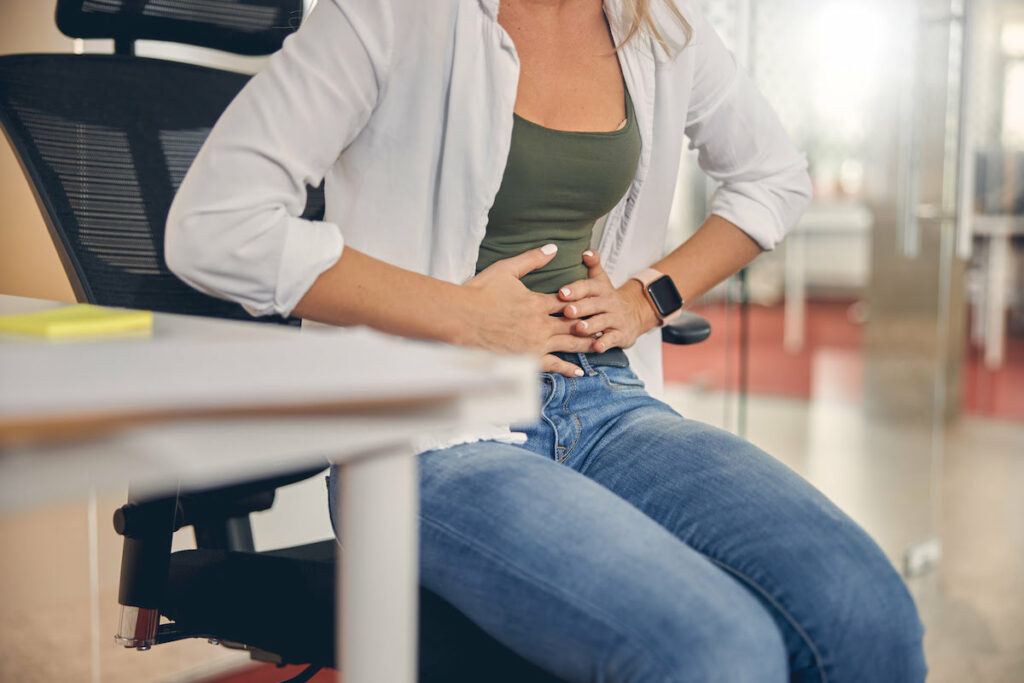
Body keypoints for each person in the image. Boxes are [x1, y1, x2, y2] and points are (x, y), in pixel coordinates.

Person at [165, 0, 927, 680]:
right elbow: (215, 226)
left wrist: (646, 296)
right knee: (716, 651)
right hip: (425, 433)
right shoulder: (387, 15)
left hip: (604, 406)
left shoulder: (656, 22)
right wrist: (460, 315)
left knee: (868, 615)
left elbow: (774, 177)